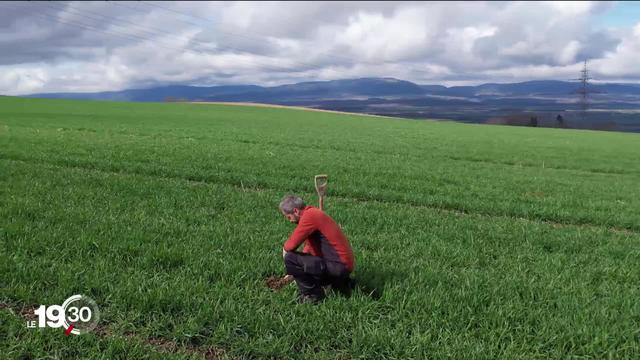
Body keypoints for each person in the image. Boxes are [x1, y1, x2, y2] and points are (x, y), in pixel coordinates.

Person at [279, 194, 355, 304]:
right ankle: (340, 284)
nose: (289, 221)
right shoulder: (313, 214)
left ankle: (312, 295)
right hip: (342, 266)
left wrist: (290, 264)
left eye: (288, 217)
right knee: (302, 261)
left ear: (295, 211)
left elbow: (289, 246)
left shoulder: (309, 216)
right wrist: (295, 272)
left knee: (290, 258)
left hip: (338, 267)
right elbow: (309, 248)